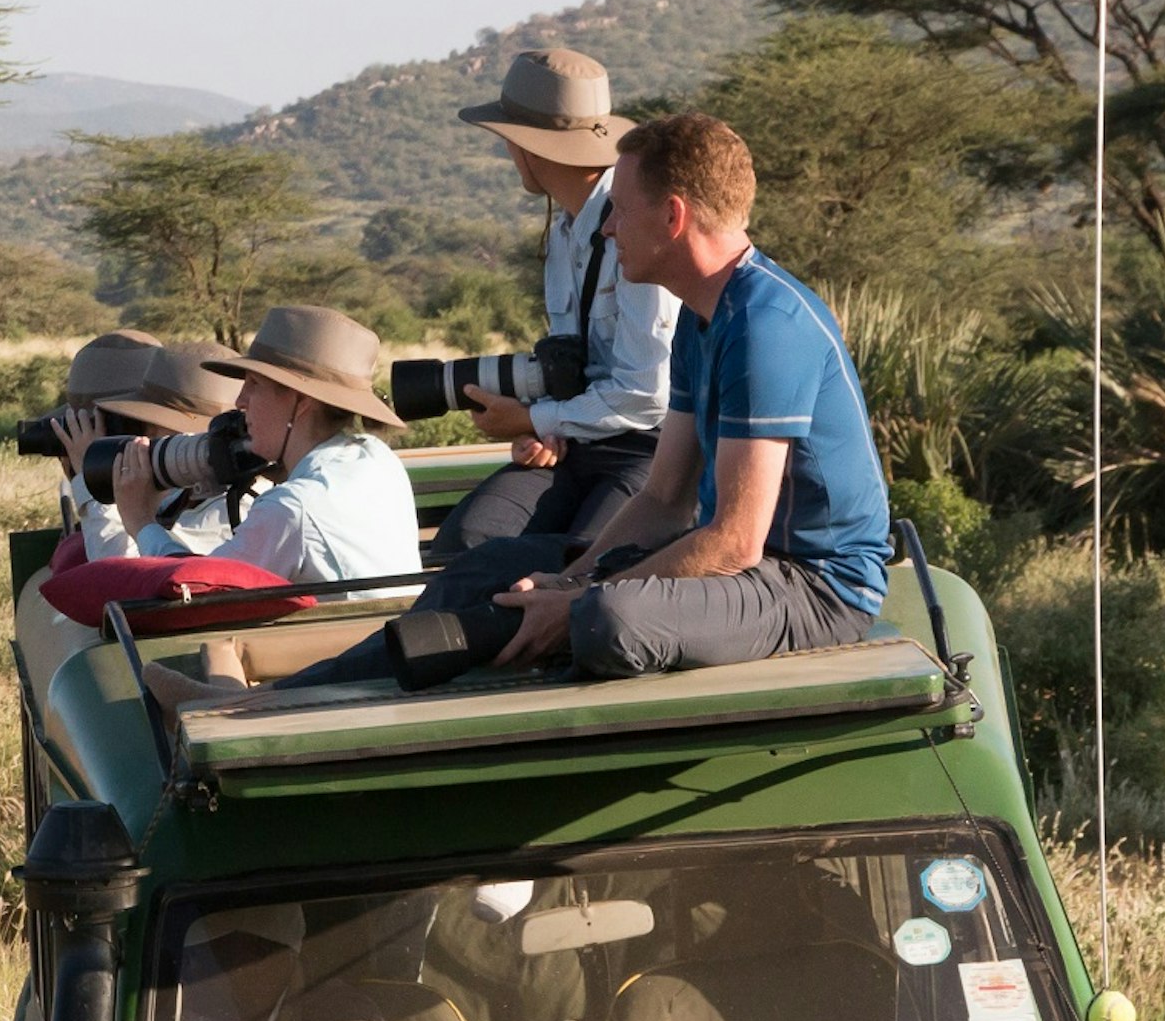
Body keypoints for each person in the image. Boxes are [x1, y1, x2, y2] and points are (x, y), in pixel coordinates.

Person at [292, 114, 887, 685]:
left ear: (673, 216)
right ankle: (285, 697)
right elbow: (662, 497)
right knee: (493, 564)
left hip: (815, 588)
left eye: (620, 211)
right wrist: (566, 580)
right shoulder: (700, 317)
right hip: (744, 568)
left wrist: (585, 598)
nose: (607, 229)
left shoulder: (766, 323)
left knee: (610, 619)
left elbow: (735, 541)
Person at [432, 46, 682, 565]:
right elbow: (576, 367)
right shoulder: (565, 232)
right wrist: (546, 428)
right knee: (465, 546)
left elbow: (644, 396)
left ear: (528, 147)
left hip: (652, 451)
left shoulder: (633, 227)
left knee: (584, 567)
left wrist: (533, 416)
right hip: (582, 442)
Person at [112, 304, 422, 585]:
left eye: (255, 384)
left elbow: (197, 589)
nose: (240, 400)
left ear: (301, 402)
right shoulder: (378, 458)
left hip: (344, 647)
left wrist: (141, 521)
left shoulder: (292, 509)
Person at [70, 342, 247, 559]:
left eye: (155, 423)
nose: (146, 436)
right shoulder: (185, 493)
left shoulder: (235, 510)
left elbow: (123, 578)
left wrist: (90, 485)